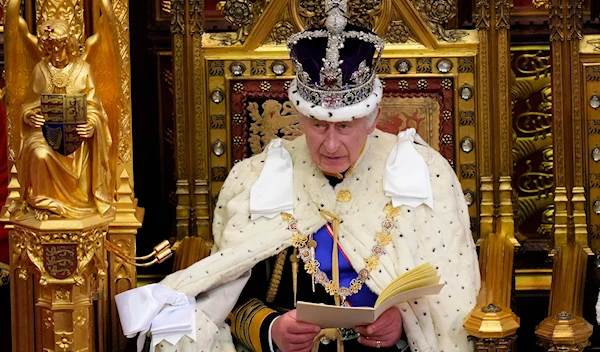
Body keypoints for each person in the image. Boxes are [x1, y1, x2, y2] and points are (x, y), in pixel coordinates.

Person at [116, 1, 480, 351]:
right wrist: (272, 331)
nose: (332, 145)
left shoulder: (424, 172)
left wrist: (404, 326)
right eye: (318, 126)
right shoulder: (257, 178)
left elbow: (449, 303)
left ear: (372, 118)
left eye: (346, 126)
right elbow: (228, 298)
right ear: (299, 116)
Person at [16, 19, 114, 220]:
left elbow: (95, 107)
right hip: (45, 134)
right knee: (38, 153)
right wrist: (29, 116)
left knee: (80, 148)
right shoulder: (40, 70)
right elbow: (28, 105)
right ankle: (43, 203)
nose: (57, 55)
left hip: (76, 137)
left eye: (60, 48)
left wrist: (91, 125)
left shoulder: (83, 69)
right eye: (51, 50)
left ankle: (81, 200)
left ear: (68, 46)